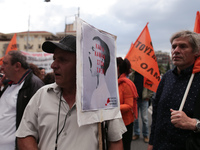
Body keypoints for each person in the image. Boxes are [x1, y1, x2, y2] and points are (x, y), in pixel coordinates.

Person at [16, 35, 126, 150]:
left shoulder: (103, 99)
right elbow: (25, 134)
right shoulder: (41, 95)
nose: (53, 65)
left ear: (81, 65)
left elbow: (115, 142)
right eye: (54, 59)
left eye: (62, 60)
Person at [148, 30, 200, 150]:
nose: (176, 50)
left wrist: (195, 124)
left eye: (183, 46)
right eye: (173, 46)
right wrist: (151, 143)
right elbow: (156, 113)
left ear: (196, 51)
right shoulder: (167, 77)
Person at [0, 50, 44, 150]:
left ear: (17, 66)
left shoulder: (34, 85)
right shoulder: (8, 85)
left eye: (5, 63)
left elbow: (38, 122)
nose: (2, 67)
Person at [117, 57, 138, 150]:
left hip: (125, 123)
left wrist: (113, 107)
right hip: (117, 121)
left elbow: (129, 106)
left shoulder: (126, 84)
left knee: (125, 147)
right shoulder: (116, 82)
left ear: (118, 68)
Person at [88, 36, 111, 109]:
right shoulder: (98, 91)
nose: (89, 52)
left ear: (101, 61)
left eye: (93, 49)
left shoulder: (103, 93)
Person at [130, 71, 153, 143]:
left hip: (144, 100)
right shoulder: (132, 75)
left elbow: (151, 87)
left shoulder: (146, 75)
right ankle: (136, 133)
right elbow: (130, 86)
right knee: (135, 119)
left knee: (145, 119)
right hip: (135, 100)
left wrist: (148, 96)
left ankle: (145, 135)